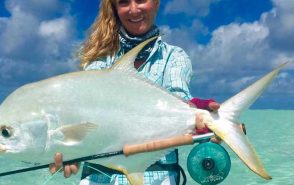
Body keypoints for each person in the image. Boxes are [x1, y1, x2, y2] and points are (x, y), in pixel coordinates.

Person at [49, 0, 220, 184]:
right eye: (123, 2)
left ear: (156, 3)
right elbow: (84, 117)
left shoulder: (174, 57)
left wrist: (203, 117)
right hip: (97, 178)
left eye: (140, 0)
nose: (133, 9)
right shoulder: (98, 61)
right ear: (115, 9)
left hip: (158, 178)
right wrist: (71, 152)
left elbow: (179, 99)